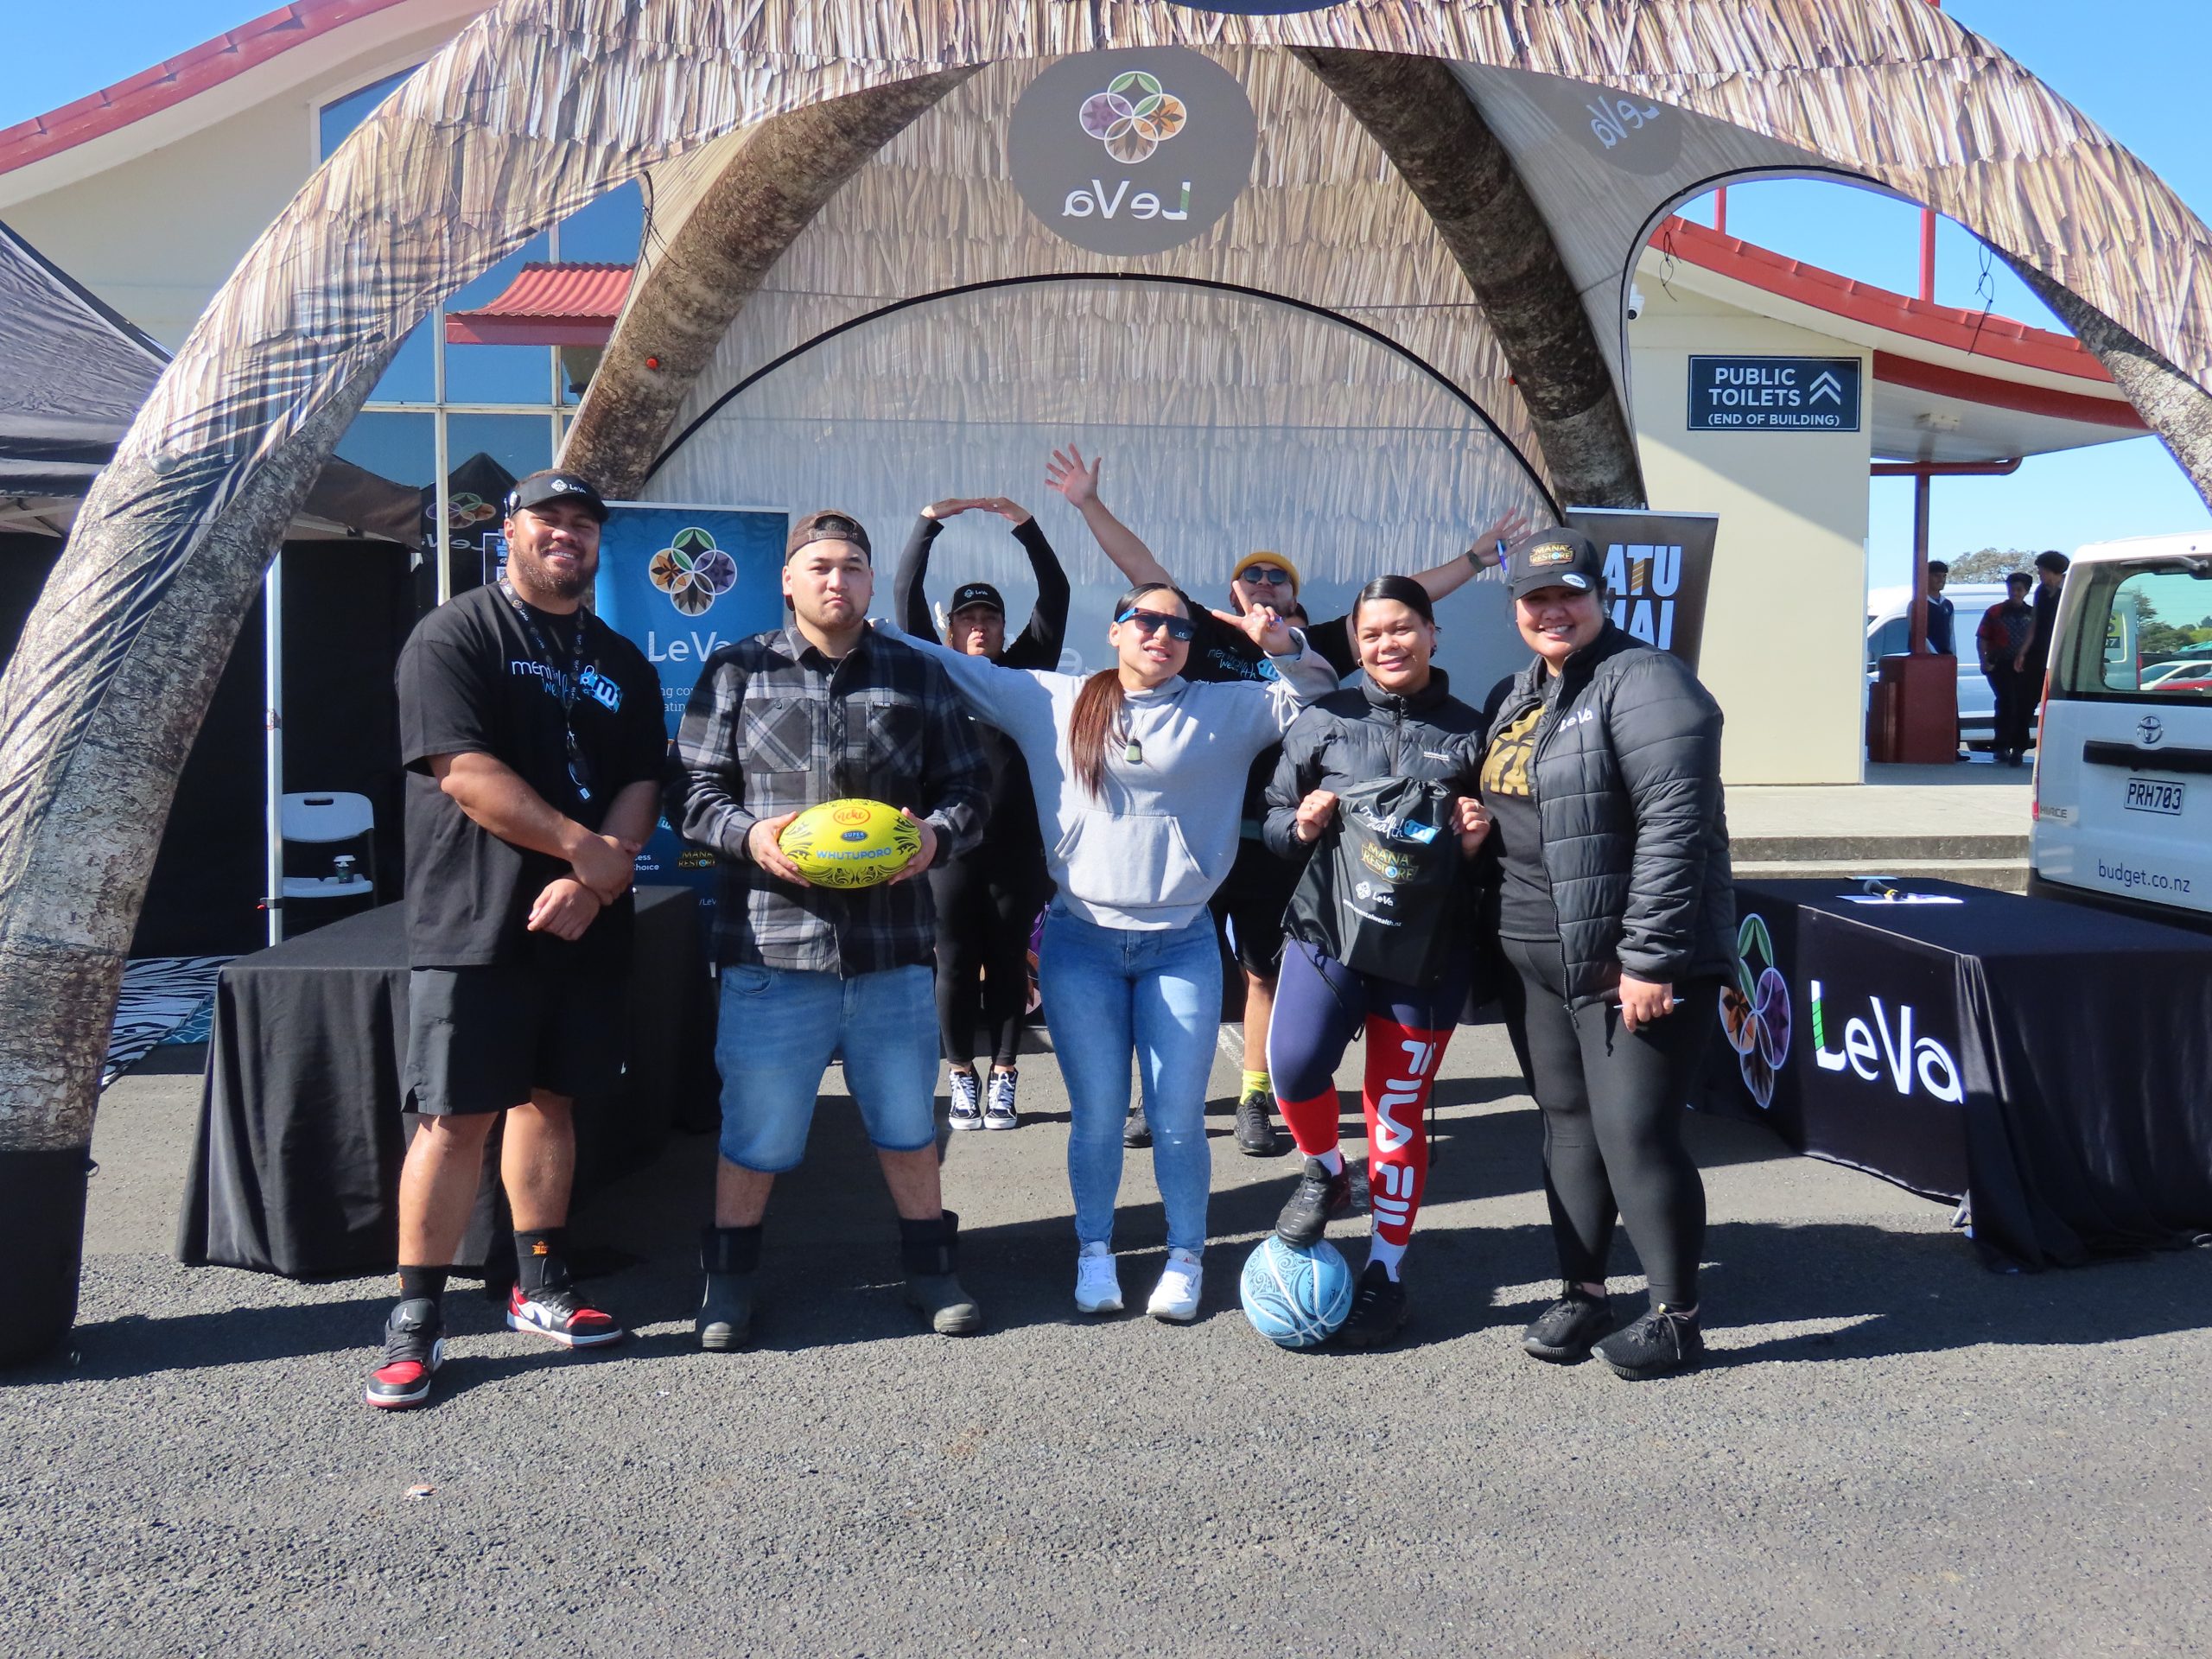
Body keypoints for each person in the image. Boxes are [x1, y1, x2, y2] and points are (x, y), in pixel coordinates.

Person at [1045, 444, 1527, 1160]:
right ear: (1233, 589)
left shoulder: (1317, 645)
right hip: (1199, 830)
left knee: (1263, 971)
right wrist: (1088, 503)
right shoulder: (1200, 630)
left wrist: (1476, 559)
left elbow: (1403, 602)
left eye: (1279, 577)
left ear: (1296, 600)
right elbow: (1140, 570)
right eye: (1253, 574)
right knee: (1174, 967)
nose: (1265, 583)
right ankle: (1157, 1097)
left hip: (1281, 836)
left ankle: (1253, 1097)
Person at [886, 582, 1337, 1322]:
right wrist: (868, 623)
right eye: (1145, 620)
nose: (1162, 634)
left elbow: (1315, 694)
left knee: (1178, 1118)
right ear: (1116, 630)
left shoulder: (1225, 707)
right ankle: (1094, 1252)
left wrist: (1279, 643)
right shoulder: (1053, 700)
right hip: (1080, 942)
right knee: (1096, 1118)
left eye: (1179, 628)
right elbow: (949, 666)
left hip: (1180, 942)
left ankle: (1184, 1257)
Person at [369, 469, 666, 1411]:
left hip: (583, 920)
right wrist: (585, 852)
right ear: (511, 532)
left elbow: (642, 780)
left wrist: (596, 878)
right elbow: (463, 771)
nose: (566, 535)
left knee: (551, 1103)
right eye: (549, 520)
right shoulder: (455, 635)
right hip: (476, 919)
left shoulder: (621, 661)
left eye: (583, 523)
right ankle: (416, 1319)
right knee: (455, 1118)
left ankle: (539, 1284)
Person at [671, 509, 992, 1351]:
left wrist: (937, 837)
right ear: (788, 580)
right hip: (773, 951)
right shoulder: (737, 669)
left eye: (851, 566)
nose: (836, 580)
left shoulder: (917, 674)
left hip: (891, 954)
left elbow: (969, 790)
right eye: (819, 567)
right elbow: (691, 792)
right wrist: (750, 836)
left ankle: (932, 1271)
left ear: (870, 579)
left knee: (907, 1126)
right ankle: (727, 1284)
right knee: (756, 1132)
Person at [1479, 528, 1735, 1381]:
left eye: (1570, 595)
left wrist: (1651, 958)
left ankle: (1676, 1317)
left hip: (1625, 957)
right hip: (1533, 950)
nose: (1553, 611)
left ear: (1601, 596)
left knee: (1635, 1133)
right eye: (1535, 599)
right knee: (1567, 1125)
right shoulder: (1518, 693)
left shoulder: (1650, 681)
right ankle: (1583, 1292)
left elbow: (1675, 827)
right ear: (1515, 609)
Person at [1262, 575, 1491, 1348]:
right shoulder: (1325, 719)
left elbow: (1499, 858)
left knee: (1395, 1115)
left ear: (1431, 633)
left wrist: (1475, 843)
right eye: (1371, 634)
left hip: (1426, 952)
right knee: (1294, 1067)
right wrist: (1299, 825)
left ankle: (1387, 1273)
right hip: (1328, 930)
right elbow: (1270, 823)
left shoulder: (1472, 732)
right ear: (1355, 645)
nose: (1387, 644)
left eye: (1402, 628)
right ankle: (1326, 1170)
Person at [893, 496, 1068, 1130]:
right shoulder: (932, 668)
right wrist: (927, 522)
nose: (978, 626)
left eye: (989, 617)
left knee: (1010, 958)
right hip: (949, 847)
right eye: (967, 617)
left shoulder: (1025, 671)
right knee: (955, 961)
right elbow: (905, 593)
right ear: (949, 630)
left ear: (1003, 628)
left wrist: (1025, 526)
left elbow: (1056, 594)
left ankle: (1005, 1077)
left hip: (1017, 847)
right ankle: (961, 1074)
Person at [1978, 572, 2037, 766]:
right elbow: (1982, 638)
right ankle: (2001, 746)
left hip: (2025, 666)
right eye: (2012, 589)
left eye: (2019, 589)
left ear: (2026, 591)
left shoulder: (2032, 614)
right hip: (2000, 664)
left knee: (2023, 705)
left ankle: (2019, 748)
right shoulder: (1995, 612)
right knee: (2006, 702)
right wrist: (1984, 661)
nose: (2015, 593)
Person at [1923, 561, 1955, 658]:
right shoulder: (1918, 604)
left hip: (1945, 658)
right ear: (1926, 577)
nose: (1941, 580)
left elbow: (1951, 633)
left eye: (1944, 576)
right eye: (1936, 576)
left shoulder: (1948, 605)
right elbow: (1918, 634)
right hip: (1926, 659)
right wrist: (1934, 654)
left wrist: (1953, 657)